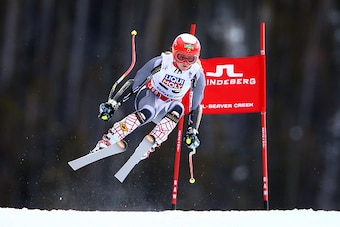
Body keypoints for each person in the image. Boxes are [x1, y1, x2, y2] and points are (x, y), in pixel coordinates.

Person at [93, 33, 205, 159]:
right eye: (181, 57)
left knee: (178, 109)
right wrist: (115, 103)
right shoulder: (162, 62)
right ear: (174, 53)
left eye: (191, 59)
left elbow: (196, 103)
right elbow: (136, 82)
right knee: (148, 112)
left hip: (168, 106)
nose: (185, 63)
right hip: (150, 95)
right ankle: (111, 138)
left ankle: (149, 144)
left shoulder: (196, 73)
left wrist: (192, 130)